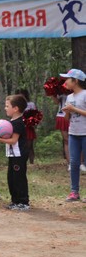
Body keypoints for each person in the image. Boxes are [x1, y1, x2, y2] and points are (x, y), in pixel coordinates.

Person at [0, 94, 30, 210]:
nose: (5, 108)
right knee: (11, 178)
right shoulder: (12, 122)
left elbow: (13, 140)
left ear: (16, 108)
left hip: (19, 155)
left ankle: (23, 202)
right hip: (13, 155)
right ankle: (15, 201)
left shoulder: (18, 122)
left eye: (7, 106)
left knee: (19, 178)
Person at [60, 68, 86, 202]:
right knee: (74, 163)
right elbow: (67, 119)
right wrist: (67, 112)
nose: (65, 82)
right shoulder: (69, 97)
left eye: (68, 80)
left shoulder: (85, 94)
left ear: (75, 81)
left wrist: (73, 108)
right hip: (73, 133)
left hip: (85, 133)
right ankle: (74, 192)